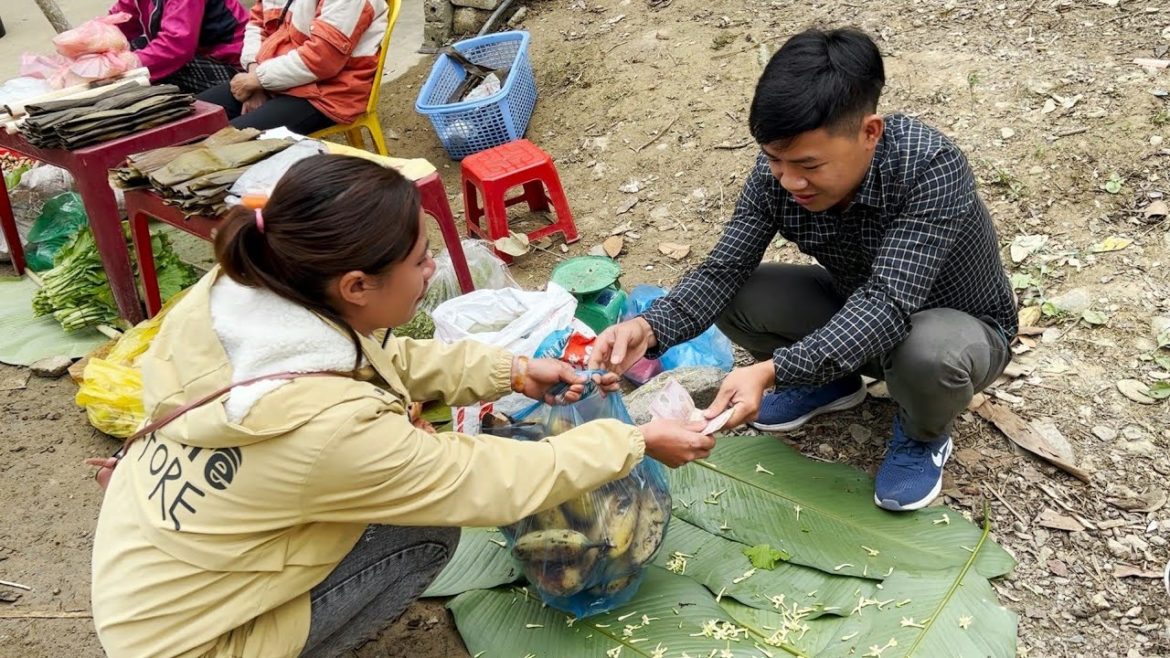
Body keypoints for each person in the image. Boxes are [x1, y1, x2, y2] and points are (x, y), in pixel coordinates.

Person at [88, 154, 715, 658]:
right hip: (186, 643)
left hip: (144, 580)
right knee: (426, 528)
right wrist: (633, 440)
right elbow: (484, 480)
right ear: (356, 286)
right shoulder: (331, 429)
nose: (433, 268)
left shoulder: (245, 290)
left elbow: (374, 358)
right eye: (421, 261)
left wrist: (512, 370)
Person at [590, 27, 1016, 513]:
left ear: (869, 132)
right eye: (775, 160)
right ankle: (833, 381)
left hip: (955, 330)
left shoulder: (929, 167)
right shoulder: (780, 175)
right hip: (854, 306)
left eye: (809, 164)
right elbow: (723, 269)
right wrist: (646, 329)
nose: (791, 180)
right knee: (741, 295)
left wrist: (773, 371)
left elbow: (888, 305)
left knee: (926, 352)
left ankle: (923, 433)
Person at [197, 0, 387, 133]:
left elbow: (321, 60)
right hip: (273, 80)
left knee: (226, 141)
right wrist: (254, 77)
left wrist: (258, 80)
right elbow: (257, 24)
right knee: (189, 119)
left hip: (325, 94)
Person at [111, 0, 247, 94]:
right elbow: (120, 21)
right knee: (133, 47)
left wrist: (127, 66)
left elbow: (176, 45)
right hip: (198, 56)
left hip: (233, 67)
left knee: (147, 73)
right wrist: (95, 43)